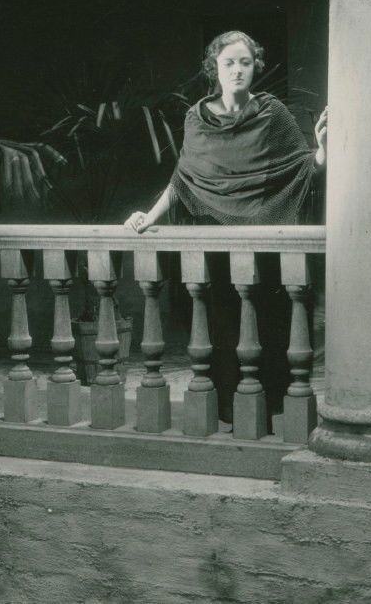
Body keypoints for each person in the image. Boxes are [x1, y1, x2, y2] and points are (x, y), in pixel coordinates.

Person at [125, 30, 327, 424]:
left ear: (256, 67)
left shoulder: (273, 114)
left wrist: (322, 150)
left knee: (270, 326)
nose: (237, 70)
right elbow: (184, 179)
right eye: (228, 63)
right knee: (223, 328)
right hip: (216, 246)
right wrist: (149, 216)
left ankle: (271, 411)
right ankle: (229, 412)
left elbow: (301, 169)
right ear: (213, 68)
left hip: (265, 244)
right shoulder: (196, 118)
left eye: (245, 62)